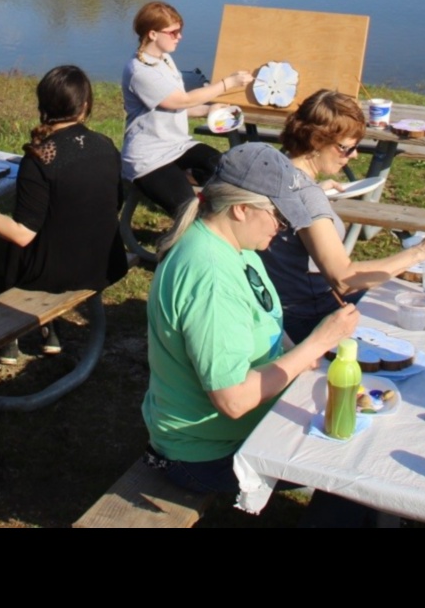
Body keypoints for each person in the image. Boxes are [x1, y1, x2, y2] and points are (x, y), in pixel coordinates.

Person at [142, 142, 361, 497]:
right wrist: (318, 342)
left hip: (239, 431)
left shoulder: (235, 246)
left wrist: (312, 358)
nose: (284, 227)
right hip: (209, 453)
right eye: (279, 216)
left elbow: (271, 323)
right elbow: (234, 400)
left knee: (356, 428)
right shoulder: (211, 278)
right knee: (355, 463)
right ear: (241, 209)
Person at [0, 66, 129, 364]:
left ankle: (6, 338)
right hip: (105, 261)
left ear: (43, 106)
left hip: (57, 271)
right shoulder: (105, 146)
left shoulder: (41, 156)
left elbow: (22, 233)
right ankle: (49, 329)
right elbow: (115, 202)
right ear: (85, 106)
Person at [261, 89, 425, 343]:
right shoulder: (307, 197)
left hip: (275, 304)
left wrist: (317, 191)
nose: (354, 155)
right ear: (316, 141)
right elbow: (344, 280)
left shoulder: (273, 166)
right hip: (308, 317)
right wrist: (422, 252)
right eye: (346, 148)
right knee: (423, 315)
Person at [121, 0, 254, 216]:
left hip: (178, 146)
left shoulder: (165, 59)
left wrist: (207, 110)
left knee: (228, 169)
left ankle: (191, 176)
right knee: (189, 210)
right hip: (150, 159)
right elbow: (180, 101)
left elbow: (173, 107)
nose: (180, 36)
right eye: (173, 32)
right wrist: (227, 83)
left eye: (180, 30)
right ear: (153, 34)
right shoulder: (140, 72)